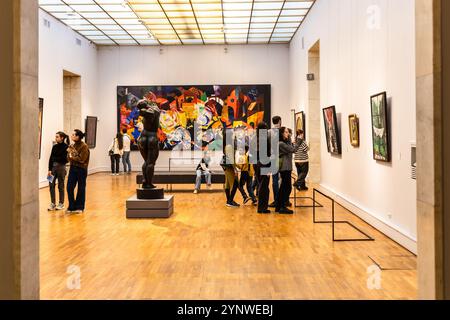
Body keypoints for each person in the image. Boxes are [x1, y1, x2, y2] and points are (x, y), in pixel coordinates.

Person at [276, 127, 301, 214]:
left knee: (284, 187)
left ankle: (279, 206)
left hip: (286, 167)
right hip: (284, 168)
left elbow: (290, 148)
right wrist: (299, 140)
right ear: (282, 133)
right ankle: (282, 206)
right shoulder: (281, 144)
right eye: (286, 132)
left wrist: (289, 139)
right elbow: (293, 149)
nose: (288, 133)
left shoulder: (284, 142)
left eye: (288, 132)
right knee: (286, 187)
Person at [67, 129, 90, 214]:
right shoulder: (73, 145)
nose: (72, 136)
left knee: (81, 188)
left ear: (78, 136)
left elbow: (81, 159)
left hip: (81, 169)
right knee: (69, 187)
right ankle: (71, 206)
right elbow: (68, 158)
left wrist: (72, 154)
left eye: (73, 135)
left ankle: (80, 207)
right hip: (73, 168)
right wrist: (71, 154)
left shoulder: (84, 146)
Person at [47, 131, 69, 211]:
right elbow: (51, 158)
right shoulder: (54, 146)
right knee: (50, 185)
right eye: (55, 136)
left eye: (57, 137)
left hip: (61, 168)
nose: (55, 138)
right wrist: (49, 169)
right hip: (52, 168)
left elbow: (65, 159)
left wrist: (55, 159)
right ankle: (52, 203)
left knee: (61, 185)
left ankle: (61, 203)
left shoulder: (66, 147)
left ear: (62, 138)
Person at [254, 122, 271, 214]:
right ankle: (262, 208)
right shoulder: (263, 139)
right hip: (263, 165)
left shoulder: (255, 138)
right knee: (264, 187)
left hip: (257, 165)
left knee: (261, 186)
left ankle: (262, 207)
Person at [221, 140, 240, 208]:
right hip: (230, 168)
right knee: (235, 183)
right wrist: (235, 169)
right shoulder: (229, 146)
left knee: (227, 184)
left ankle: (229, 201)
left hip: (227, 168)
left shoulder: (227, 146)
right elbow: (231, 159)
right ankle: (230, 200)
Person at [269, 116, 282, 208]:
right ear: (280, 121)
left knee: (275, 180)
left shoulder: (269, 132)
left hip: (273, 158)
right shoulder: (283, 131)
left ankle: (276, 200)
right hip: (282, 158)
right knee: (283, 179)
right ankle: (284, 200)